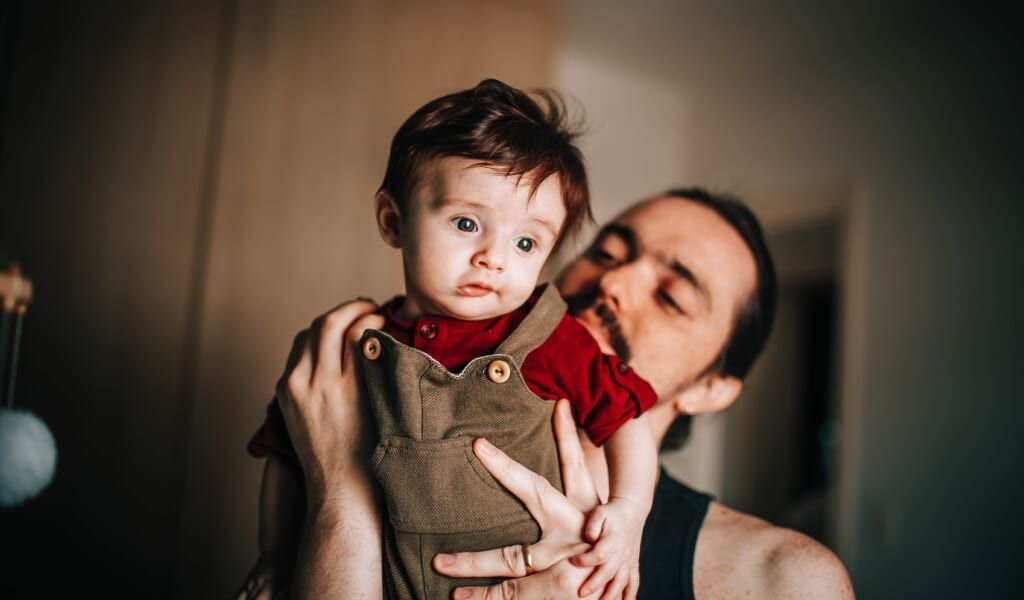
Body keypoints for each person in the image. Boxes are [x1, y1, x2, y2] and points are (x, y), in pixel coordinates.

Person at [266, 190, 855, 599]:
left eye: (671, 296)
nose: (613, 283)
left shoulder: (786, 580)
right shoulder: (373, 429)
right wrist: (341, 495)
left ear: (711, 388)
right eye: (607, 253)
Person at [240, 80, 660, 600]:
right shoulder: (352, 346)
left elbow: (628, 419)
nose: (494, 257)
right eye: (466, 223)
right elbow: (287, 453)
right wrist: (274, 555)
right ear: (393, 220)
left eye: (526, 241)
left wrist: (629, 512)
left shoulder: (548, 338)